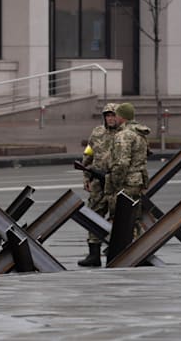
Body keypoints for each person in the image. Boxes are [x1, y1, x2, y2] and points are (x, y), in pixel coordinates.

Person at [77, 102, 120, 267]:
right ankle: (93, 254)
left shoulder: (124, 134)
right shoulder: (97, 133)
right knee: (94, 216)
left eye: (113, 115)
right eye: (107, 115)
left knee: (117, 217)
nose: (110, 118)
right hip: (97, 183)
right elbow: (88, 155)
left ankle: (114, 249)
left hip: (115, 183)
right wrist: (86, 178)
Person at [107, 102, 151, 240]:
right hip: (137, 181)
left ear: (122, 116)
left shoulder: (123, 135)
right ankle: (137, 247)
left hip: (126, 183)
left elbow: (122, 163)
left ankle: (125, 249)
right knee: (134, 218)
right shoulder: (139, 133)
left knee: (121, 219)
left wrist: (115, 182)